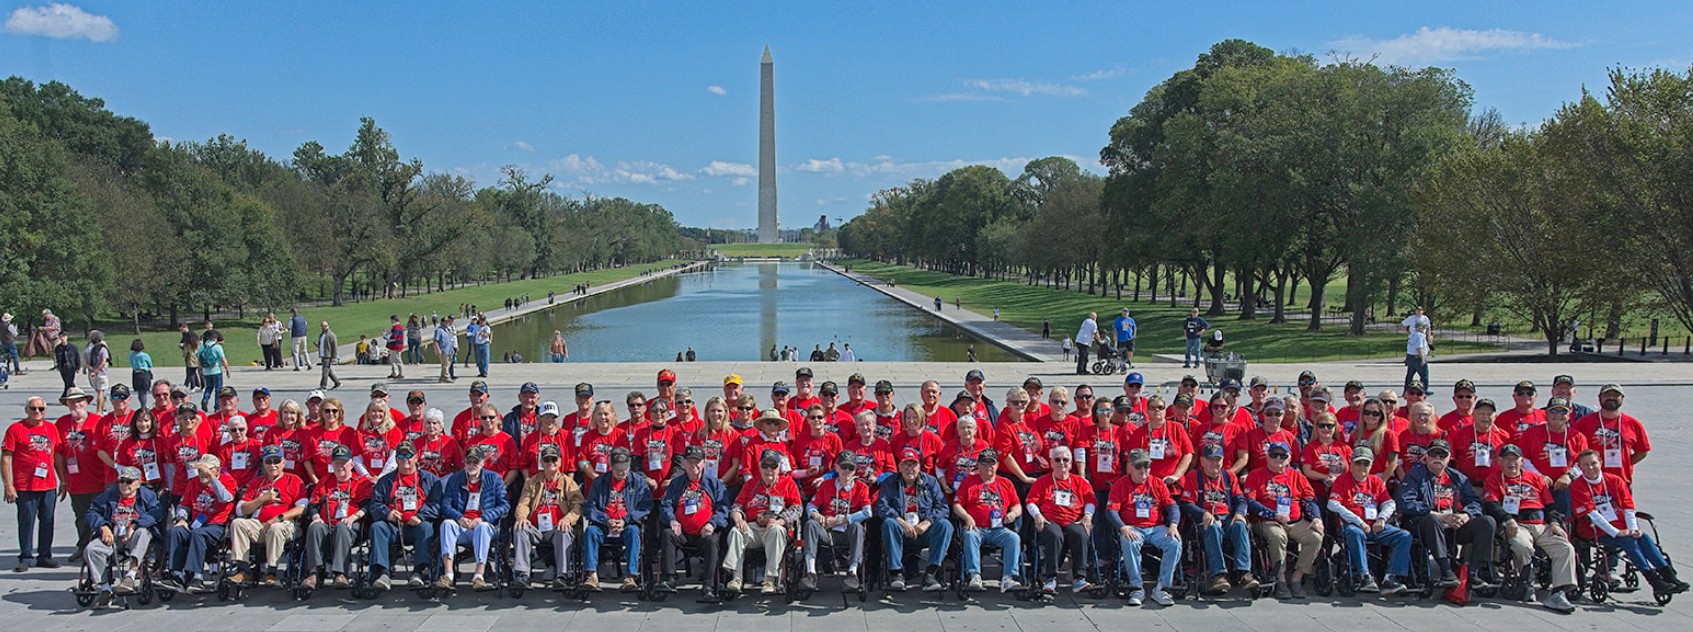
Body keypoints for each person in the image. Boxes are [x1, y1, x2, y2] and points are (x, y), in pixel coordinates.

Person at [1570, 449, 1688, 595]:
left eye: (1593, 463)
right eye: (1585, 465)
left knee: (1643, 537)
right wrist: (1616, 532)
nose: (1590, 467)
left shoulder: (1615, 480)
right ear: (1580, 467)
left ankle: (1669, 576)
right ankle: (1654, 580)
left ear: (1600, 462)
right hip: (1594, 530)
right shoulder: (1578, 486)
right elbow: (1592, 515)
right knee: (1628, 541)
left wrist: (1633, 528)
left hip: (1621, 527)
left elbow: (1628, 506)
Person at [1482, 443, 1578, 612]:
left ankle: (1558, 592)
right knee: (1521, 545)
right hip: (1516, 524)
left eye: (1515, 459)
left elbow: (1550, 506)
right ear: (1500, 461)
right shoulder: (1494, 479)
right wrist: (1507, 519)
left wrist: (1554, 522)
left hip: (1541, 524)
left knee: (1565, 547)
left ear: (1522, 461)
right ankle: (1527, 580)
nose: (1511, 463)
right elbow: (1492, 504)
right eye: (1507, 459)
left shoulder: (1535, 478)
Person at [1398, 439, 1498, 590]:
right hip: (1425, 524)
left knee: (1487, 522)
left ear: (1449, 457)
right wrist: (1437, 515)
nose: (1438, 458)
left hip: (1454, 523)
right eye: (1433, 454)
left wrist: (1466, 515)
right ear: (1427, 456)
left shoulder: (1458, 477)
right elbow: (1405, 502)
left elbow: (1475, 502)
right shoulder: (1415, 475)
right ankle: (1446, 572)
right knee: (1433, 520)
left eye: (1442, 455)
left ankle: (1473, 572)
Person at [1243, 442, 1322, 599]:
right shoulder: (1256, 475)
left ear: (1289, 458)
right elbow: (1250, 502)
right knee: (1278, 536)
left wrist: (1316, 518)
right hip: (1266, 521)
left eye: (1282, 455)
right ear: (1267, 456)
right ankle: (1281, 580)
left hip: (1295, 521)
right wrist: (1273, 515)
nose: (1278, 459)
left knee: (1315, 537)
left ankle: (1296, 579)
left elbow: (1309, 499)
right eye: (1274, 455)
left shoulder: (1296, 476)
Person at [1328, 446, 1410, 595]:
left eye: (1365, 464)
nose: (1361, 467)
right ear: (1351, 464)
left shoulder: (1376, 481)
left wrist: (1382, 518)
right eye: (1358, 463)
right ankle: (1364, 575)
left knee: (1404, 536)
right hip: (1353, 526)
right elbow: (1332, 504)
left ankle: (1390, 578)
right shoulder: (1342, 480)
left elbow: (1390, 503)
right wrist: (1359, 522)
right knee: (1355, 533)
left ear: (1371, 465)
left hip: (1375, 526)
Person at [1105, 448, 1182, 606]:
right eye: (1139, 467)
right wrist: (1122, 527)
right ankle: (1136, 587)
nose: (1143, 470)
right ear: (1130, 467)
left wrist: (1173, 525)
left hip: (1155, 527)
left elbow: (1172, 506)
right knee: (1129, 541)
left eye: (1146, 466)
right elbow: (1111, 510)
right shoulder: (1121, 485)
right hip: (1133, 527)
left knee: (1174, 542)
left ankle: (1162, 587)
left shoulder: (1157, 483)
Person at [1180, 444, 1257, 594]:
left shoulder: (1229, 476)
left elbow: (1240, 499)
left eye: (1218, 459)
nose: (1214, 463)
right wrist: (1203, 513)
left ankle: (1243, 572)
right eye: (1210, 460)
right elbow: (1186, 503)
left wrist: (1240, 513)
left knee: (1241, 526)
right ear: (1202, 460)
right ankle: (1219, 575)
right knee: (1213, 528)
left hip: (1227, 518)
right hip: (1206, 520)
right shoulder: (1194, 476)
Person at [227, 444, 309, 586]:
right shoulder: (256, 483)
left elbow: (302, 508)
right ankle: (243, 570)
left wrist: (279, 518)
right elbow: (241, 510)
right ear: (263, 464)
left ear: (283, 462)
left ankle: (272, 571)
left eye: (276, 461)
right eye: (268, 461)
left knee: (275, 528)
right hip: (259, 524)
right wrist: (262, 499)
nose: (272, 465)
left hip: (284, 524)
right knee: (237, 523)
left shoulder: (294, 480)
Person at [724, 449, 803, 594]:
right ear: (759, 466)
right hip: (753, 527)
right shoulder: (751, 484)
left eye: (772, 466)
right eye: (765, 465)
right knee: (736, 531)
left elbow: (797, 508)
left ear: (779, 467)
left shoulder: (788, 484)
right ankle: (736, 578)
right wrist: (738, 517)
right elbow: (737, 505)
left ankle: (769, 580)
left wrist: (781, 520)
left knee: (776, 530)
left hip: (775, 528)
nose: (768, 470)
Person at [875, 451, 952, 592]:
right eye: (905, 465)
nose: (909, 469)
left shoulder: (931, 482)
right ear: (899, 467)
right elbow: (881, 506)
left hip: (924, 530)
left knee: (945, 525)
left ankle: (931, 573)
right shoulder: (890, 482)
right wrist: (900, 522)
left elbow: (943, 507)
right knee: (889, 523)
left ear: (920, 467)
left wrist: (927, 522)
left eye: (913, 465)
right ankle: (896, 573)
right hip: (900, 529)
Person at [659, 445, 729, 599]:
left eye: (697, 462)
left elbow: (723, 509)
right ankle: (668, 578)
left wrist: (712, 523)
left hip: (704, 533)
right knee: (667, 534)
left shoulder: (714, 484)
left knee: (713, 540)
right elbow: (666, 505)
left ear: (704, 463)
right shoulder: (677, 484)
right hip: (682, 532)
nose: (694, 466)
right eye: (690, 462)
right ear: (683, 464)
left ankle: (709, 585)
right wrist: (672, 520)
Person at [82, 465, 160, 603]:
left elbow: (157, 513)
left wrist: (135, 525)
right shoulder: (110, 495)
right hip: (112, 537)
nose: (124, 485)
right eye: (121, 481)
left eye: (128, 481)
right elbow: (91, 512)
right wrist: (103, 526)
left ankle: (130, 575)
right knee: (91, 549)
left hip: (134, 538)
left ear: (138, 483)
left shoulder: (147, 496)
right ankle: (105, 588)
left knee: (142, 532)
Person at [435, 446, 509, 591]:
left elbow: (504, 505)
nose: (472, 465)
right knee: (447, 524)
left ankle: (479, 575)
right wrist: (459, 517)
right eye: (469, 462)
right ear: (464, 463)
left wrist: (483, 518)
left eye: (475, 462)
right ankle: (448, 574)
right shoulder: (455, 479)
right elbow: (446, 504)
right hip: (462, 526)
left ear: (482, 463)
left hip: (484, 527)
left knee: (482, 527)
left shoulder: (493, 479)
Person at [953, 449, 1026, 593]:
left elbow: (1017, 505)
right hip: (977, 528)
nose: (989, 467)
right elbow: (957, 505)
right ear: (978, 465)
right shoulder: (969, 482)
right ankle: (975, 576)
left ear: (997, 465)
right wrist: (967, 517)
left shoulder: (1006, 483)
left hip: (998, 528)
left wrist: (1013, 513)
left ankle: (1008, 578)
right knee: (969, 535)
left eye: (992, 463)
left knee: (1013, 538)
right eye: (985, 463)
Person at [511, 444, 584, 587]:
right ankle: (522, 573)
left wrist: (567, 519)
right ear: (542, 463)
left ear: (560, 462)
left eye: (553, 459)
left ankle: (562, 575)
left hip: (557, 528)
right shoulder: (533, 481)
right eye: (546, 460)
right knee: (520, 528)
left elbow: (578, 505)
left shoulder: (568, 483)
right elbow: (523, 503)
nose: (550, 463)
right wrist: (521, 517)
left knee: (564, 531)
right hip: (536, 527)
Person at [301, 446, 373, 590]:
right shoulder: (325, 481)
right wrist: (316, 516)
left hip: (352, 525)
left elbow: (367, 506)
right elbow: (313, 503)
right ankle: (314, 573)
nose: (340, 466)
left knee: (342, 526)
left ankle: (341, 573)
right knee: (314, 526)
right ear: (332, 465)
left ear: (351, 464)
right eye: (336, 463)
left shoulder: (360, 481)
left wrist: (353, 517)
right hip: (326, 523)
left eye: (343, 462)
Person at [162, 454, 237, 592]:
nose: (202, 473)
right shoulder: (192, 482)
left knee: (198, 534)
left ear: (217, 470)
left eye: (206, 469)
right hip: (196, 523)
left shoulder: (228, 481)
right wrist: (182, 518)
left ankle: (198, 576)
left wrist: (212, 479)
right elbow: (184, 505)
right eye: (200, 470)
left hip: (217, 525)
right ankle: (177, 574)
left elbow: (225, 498)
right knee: (175, 531)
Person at [5, 397, 63, 571]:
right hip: (25, 485)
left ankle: (45, 555)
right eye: (33, 408)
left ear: (45, 410)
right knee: (26, 520)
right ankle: (26, 556)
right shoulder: (16, 429)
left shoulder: (51, 429)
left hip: (48, 484)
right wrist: (8, 485)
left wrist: (64, 480)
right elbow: (6, 457)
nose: (37, 412)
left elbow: (57, 456)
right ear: (26, 410)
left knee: (47, 520)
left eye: (41, 408)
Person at [802, 450, 872, 591]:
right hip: (827, 532)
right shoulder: (826, 485)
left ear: (855, 470)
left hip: (847, 532)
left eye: (851, 468)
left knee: (857, 527)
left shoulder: (861, 487)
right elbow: (811, 505)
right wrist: (816, 515)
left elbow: (867, 512)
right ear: (837, 467)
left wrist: (846, 519)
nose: (847, 471)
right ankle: (811, 572)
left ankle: (852, 573)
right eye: (843, 467)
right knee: (810, 524)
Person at [582, 448, 651, 591]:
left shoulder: (638, 482)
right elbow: (589, 507)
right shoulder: (599, 482)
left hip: (626, 525)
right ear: (611, 465)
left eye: (624, 468)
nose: (622, 472)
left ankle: (631, 576)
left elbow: (646, 506)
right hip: (604, 525)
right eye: (618, 468)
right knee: (590, 531)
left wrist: (626, 520)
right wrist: (605, 520)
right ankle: (592, 575)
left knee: (633, 531)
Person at [1573, 383, 1650, 485]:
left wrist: (1626, 462)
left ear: (1622, 398)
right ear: (1600, 398)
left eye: (1615, 395)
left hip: (1622, 481)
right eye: (1607, 395)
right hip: (1591, 480)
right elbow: (1573, 449)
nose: (1611, 398)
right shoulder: (1584, 422)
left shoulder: (1633, 424)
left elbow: (1642, 451)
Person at [196, 332, 228, 412]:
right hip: (216, 370)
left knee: (208, 387)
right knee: (218, 389)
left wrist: (200, 370)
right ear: (214, 339)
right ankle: (217, 407)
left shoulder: (202, 347)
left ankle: (205, 399)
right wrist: (227, 369)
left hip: (206, 371)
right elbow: (223, 359)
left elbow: (199, 360)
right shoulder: (217, 347)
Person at [85, 330, 111, 413]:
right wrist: (97, 370)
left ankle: (103, 408)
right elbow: (104, 361)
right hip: (101, 373)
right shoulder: (102, 349)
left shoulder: (87, 349)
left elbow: (84, 362)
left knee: (99, 392)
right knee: (101, 392)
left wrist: (89, 369)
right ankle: (98, 411)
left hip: (91, 374)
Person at [1405, 324, 1431, 393]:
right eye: (1423, 327)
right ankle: (1424, 390)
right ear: (1419, 328)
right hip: (1418, 357)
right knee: (1424, 375)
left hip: (1410, 357)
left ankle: (1406, 390)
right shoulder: (1420, 336)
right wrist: (1422, 359)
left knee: (1409, 375)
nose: (1424, 329)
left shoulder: (1412, 335)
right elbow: (1419, 348)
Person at [317, 321, 341, 390]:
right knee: (328, 370)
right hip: (323, 354)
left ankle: (323, 385)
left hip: (328, 355)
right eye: (322, 326)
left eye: (325, 326)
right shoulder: (321, 335)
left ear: (327, 326)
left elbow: (335, 347)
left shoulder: (331, 335)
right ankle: (337, 383)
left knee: (325, 370)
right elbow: (321, 344)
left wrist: (334, 356)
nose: (323, 327)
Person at [433, 316, 458, 383]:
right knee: (445, 364)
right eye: (446, 322)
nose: (447, 323)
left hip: (449, 349)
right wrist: (438, 349)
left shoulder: (448, 329)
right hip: (443, 350)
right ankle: (446, 377)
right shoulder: (439, 330)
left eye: (448, 322)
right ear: (442, 322)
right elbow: (435, 341)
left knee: (447, 364)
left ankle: (442, 377)